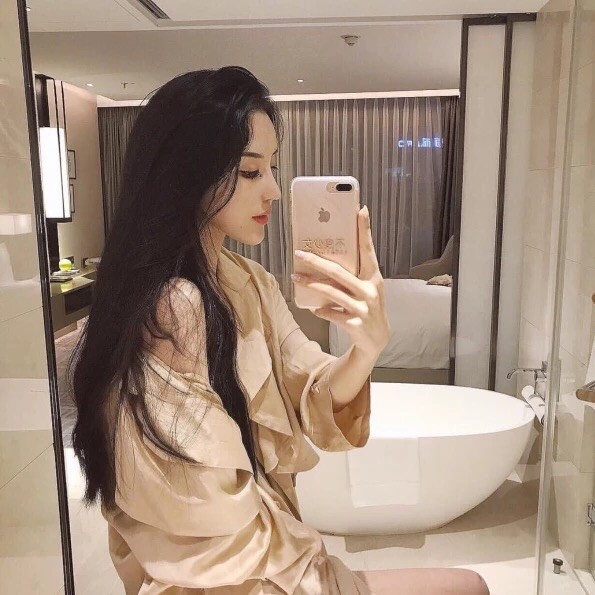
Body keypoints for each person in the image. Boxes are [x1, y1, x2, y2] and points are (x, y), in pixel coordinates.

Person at [69, 66, 489, 594]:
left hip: (267, 563)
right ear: (188, 172)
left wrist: (366, 347)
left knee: (466, 584)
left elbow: (309, 391)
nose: (272, 190)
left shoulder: (249, 281)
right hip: (228, 581)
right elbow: (207, 521)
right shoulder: (174, 308)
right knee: (467, 587)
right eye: (250, 172)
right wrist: (311, 560)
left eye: (272, 168)